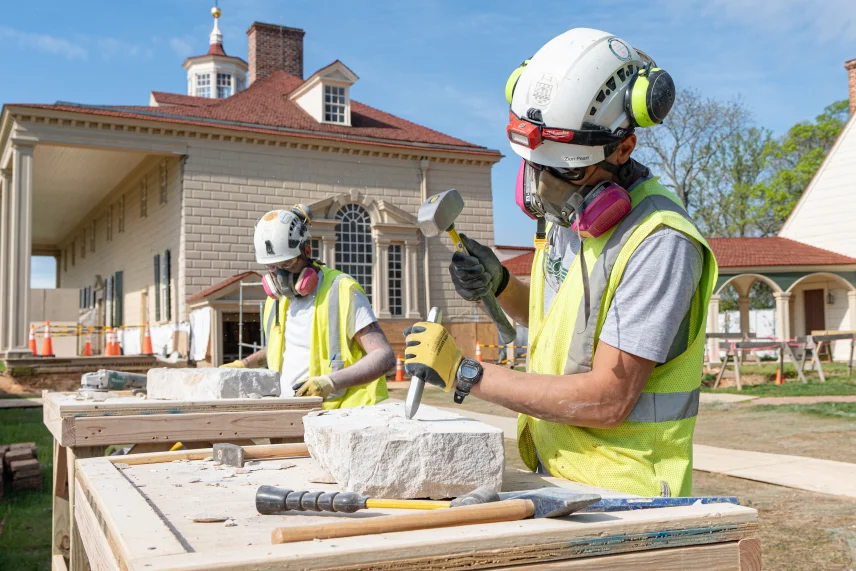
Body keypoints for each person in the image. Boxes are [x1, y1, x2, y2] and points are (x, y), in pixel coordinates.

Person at [403, 28, 718, 497]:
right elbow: (570, 323)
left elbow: (609, 399)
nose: (545, 187)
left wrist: (466, 372)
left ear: (624, 149)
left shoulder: (661, 242)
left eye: (566, 170)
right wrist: (502, 282)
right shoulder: (570, 217)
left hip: (625, 489)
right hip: (561, 473)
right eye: (535, 165)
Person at [222, 205, 395, 409]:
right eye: (272, 267)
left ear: (306, 251)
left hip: (341, 415)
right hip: (288, 410)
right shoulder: (276, 301)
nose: (280, 277)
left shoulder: (341, 290)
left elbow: (384, 356)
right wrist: (245, 364)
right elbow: (283, 349)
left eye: (287, 265)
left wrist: (331, 382)